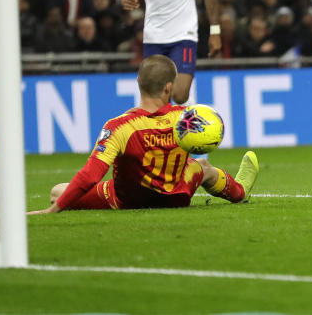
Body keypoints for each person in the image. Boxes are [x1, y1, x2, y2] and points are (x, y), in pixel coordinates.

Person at [28, 55, 259, 213]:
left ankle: (59, 202)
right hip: (178, 197)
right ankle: (239, 191)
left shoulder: (120, 126)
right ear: (169, 87)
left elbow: (90, 175)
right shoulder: (184, 117)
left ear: (138, 81)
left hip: (127, 201)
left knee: (57, 191)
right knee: (203, 168)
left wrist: (53, 210)